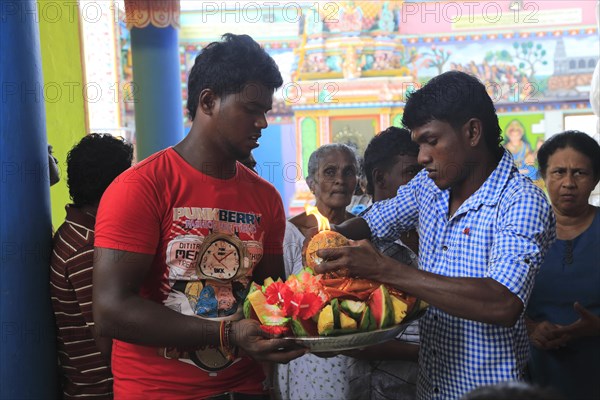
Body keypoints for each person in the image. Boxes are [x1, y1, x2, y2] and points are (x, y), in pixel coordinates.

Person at [314, 71, 556, 399]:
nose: (423, 157)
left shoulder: (520, 199)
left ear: (472, 132)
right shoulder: (430, 187)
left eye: (432, 141)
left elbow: (503, 302)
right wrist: (329, 238)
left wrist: (384, 269)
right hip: (430, 389)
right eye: (418, 145)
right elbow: (375, 220)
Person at [92, 34, 305, 399]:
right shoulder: (141, 187)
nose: (263, 123)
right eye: (251, 110)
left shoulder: (266, 198)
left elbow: (270, 299)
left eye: (266, 112)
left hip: (246, 390)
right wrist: (226, 334)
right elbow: (111, 310)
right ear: (208, 101)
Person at [50, 133, 133, 399]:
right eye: (129, 180)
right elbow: (110, 341)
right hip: (103, 390)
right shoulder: (88, 249)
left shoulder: (77, 230)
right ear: (114, 186)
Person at [277, 143, 361, 400]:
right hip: (310, 363)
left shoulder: (362, 232)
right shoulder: (290, 234)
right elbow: (275, 305)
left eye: (349, 172)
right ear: (311, 183)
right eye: (330, 172)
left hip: (360, 359)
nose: (340, 180)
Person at [347, 126, 423, 400]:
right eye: (412, 174)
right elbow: (350, 338)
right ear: (380, 177)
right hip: (379, 387)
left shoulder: (434, 232)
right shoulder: (356, 247)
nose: (423, 184)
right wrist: (428, 353)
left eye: (426, 173)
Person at [525, 130, 600, 399]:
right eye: (558, 172)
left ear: (595, 180)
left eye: (580, 172)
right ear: (544, 177)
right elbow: (497, 295)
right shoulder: (523, 232)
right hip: (537, 376)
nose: (569, 182)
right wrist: (531, 328)